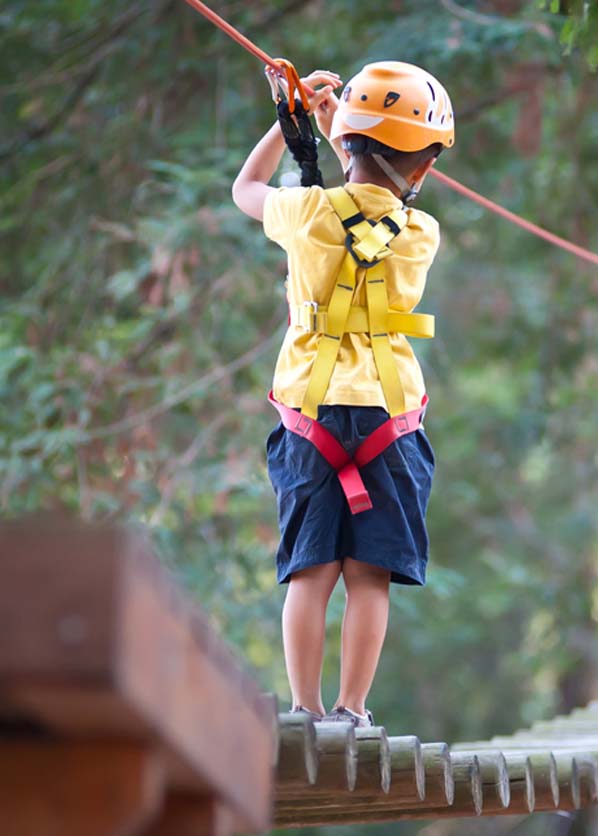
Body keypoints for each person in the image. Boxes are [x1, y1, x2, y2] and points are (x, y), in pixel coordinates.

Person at [231, 60, 455, 727]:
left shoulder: (303, 213)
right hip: (389, 417)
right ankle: (351, 710)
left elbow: (245, 187)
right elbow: (380, 201)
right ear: (424, 167)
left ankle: (302, 706)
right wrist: (336, 130)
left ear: (351, 143)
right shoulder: (421, 233)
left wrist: (288, 119)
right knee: (369, 577)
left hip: (312, 415)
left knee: (311, 572)